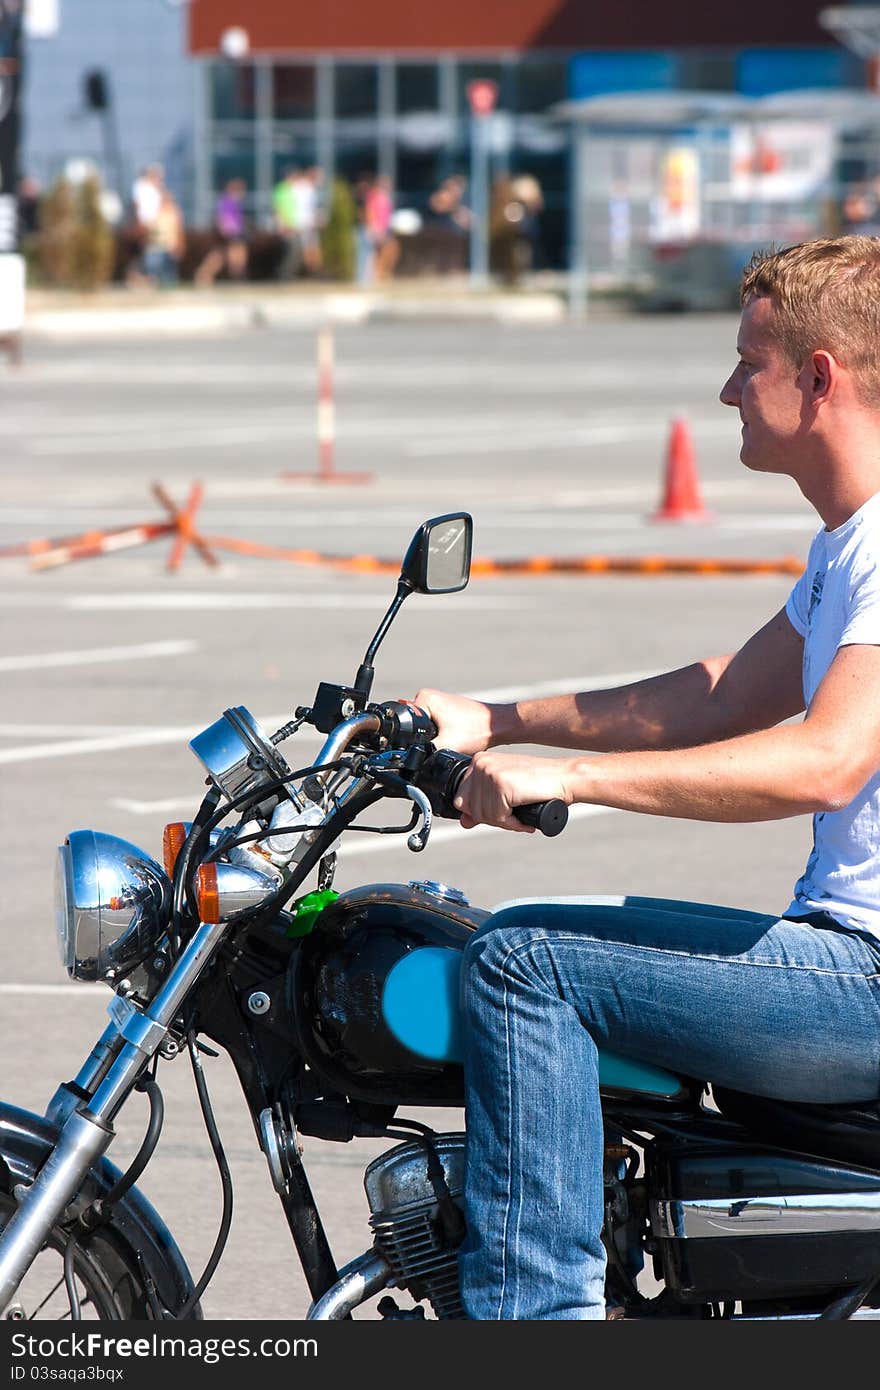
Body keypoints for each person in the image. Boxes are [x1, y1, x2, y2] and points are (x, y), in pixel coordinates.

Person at [412, 235, 880, 1320]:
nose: (724, 389)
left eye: (745, 362)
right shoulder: (846, 550)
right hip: (845, 962)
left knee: (523, 963)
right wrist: (492, 718)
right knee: (528, 925)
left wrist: (567, 777)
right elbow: (716, 695)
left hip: (861, 984)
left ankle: (540, 1322)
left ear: (817, 378)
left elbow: (828, 759)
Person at [195, 178, 249, 286]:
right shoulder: (227, 201)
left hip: (234, 234)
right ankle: (205, 275)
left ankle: (205, 275)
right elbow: (223, 219)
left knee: (222, 256)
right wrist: (226, 230)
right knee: (233, 257)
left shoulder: (233, 202)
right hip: (231, 234)